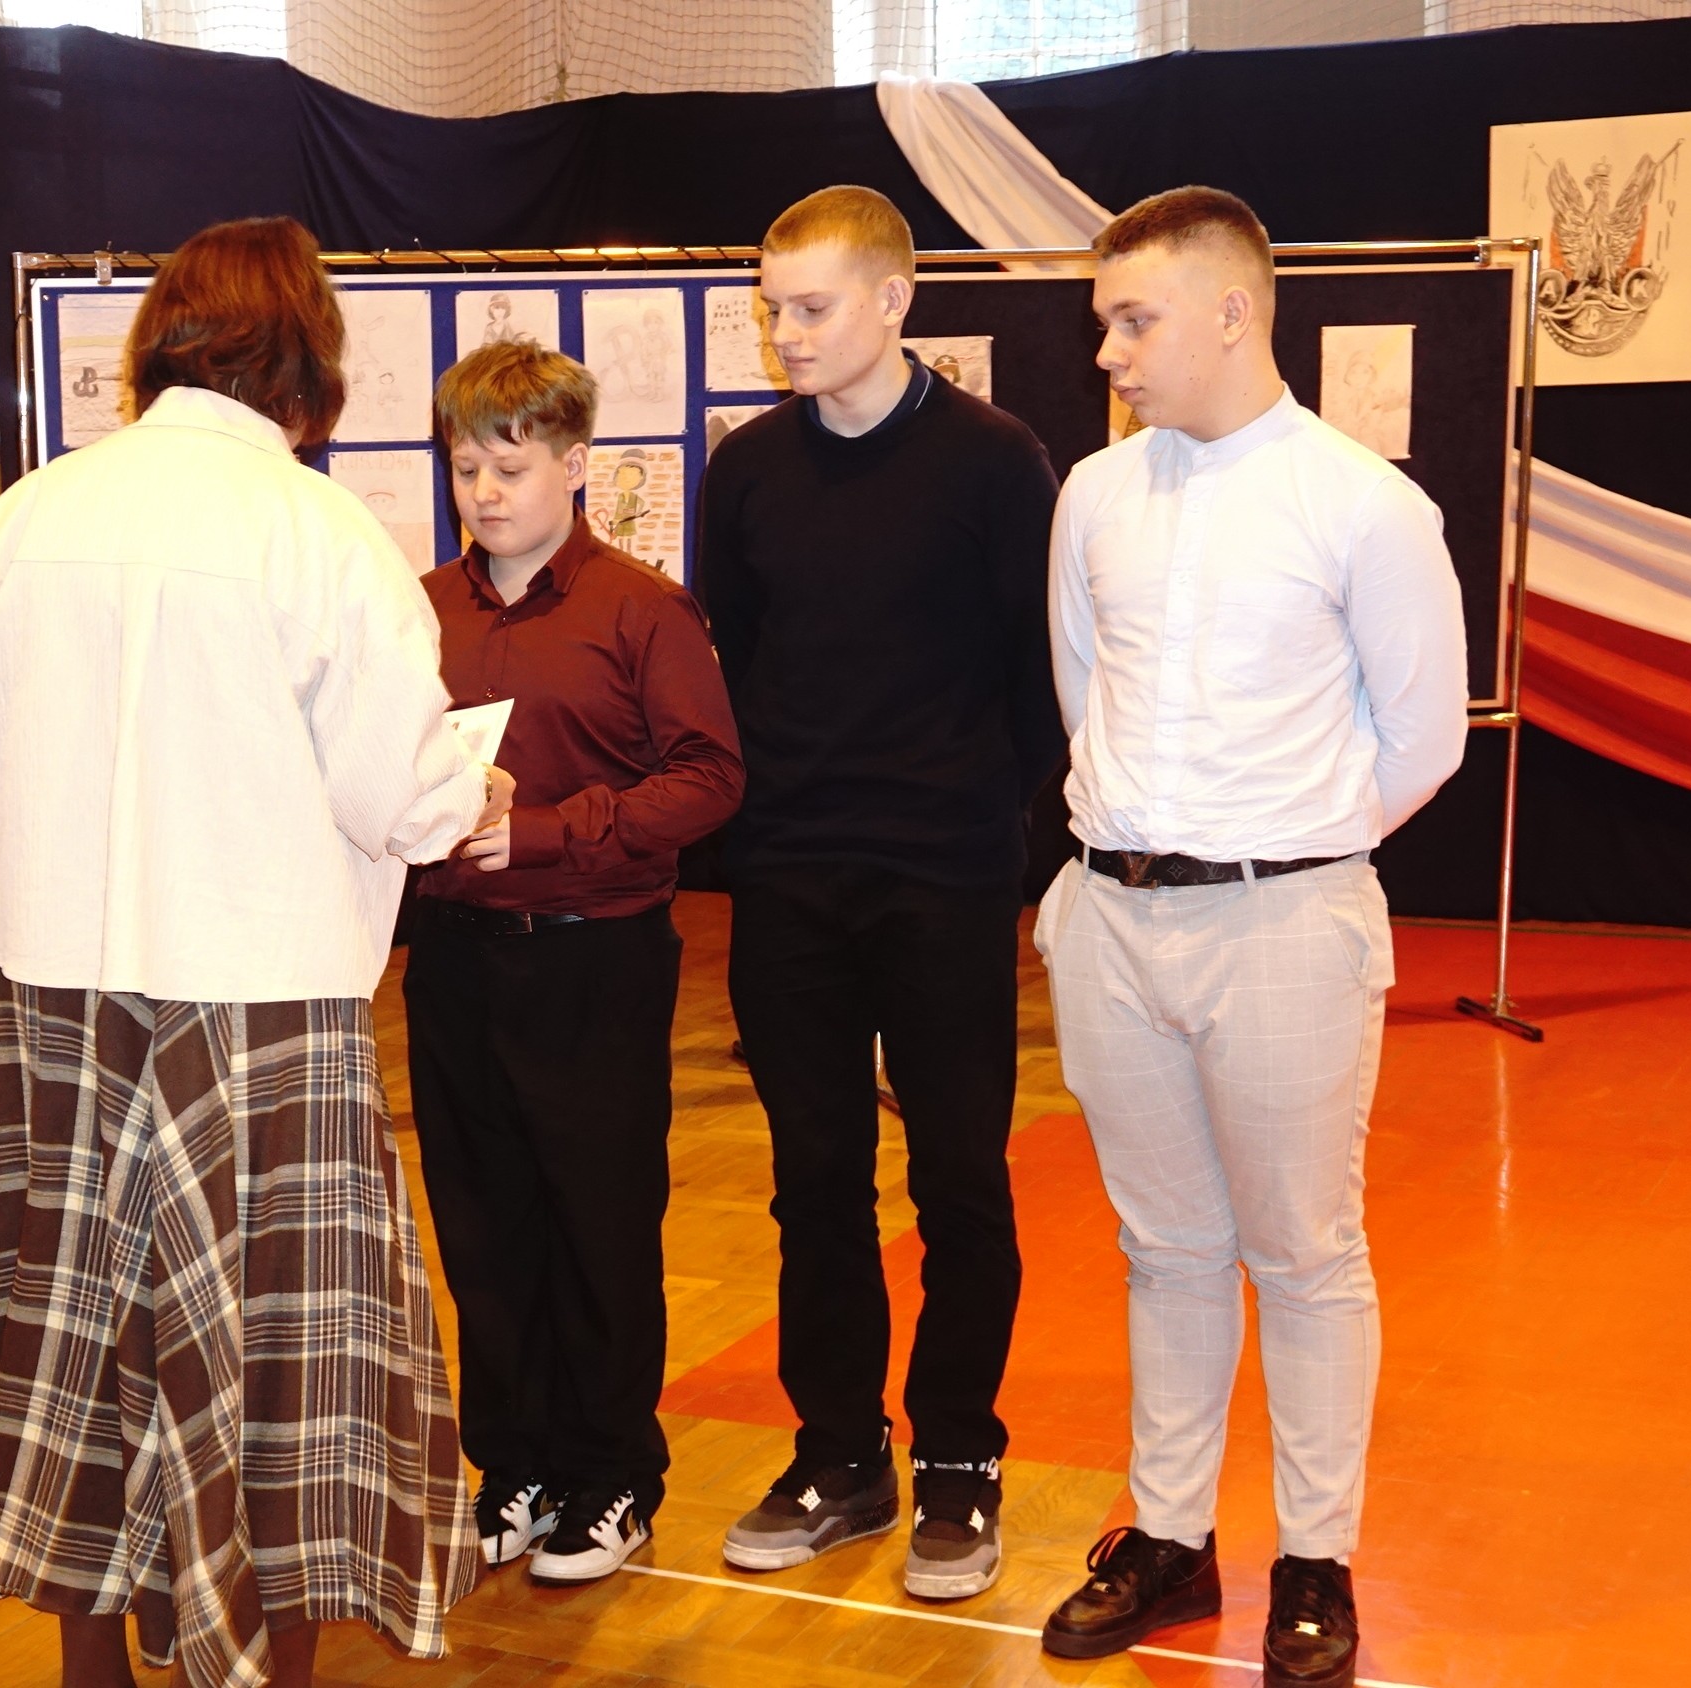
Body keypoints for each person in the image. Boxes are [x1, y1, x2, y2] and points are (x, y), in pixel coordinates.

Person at [0, 216, 509, 1688]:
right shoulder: (318, 532)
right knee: (276, 1372)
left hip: (61, 1006)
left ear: (158, 344)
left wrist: (32, 827)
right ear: (309, 361)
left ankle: (94, 1671)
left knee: (77, 1354)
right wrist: (477, 788)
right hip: (266, 1009)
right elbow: (404, 798)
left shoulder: (28, 513)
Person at [1032, 188, 1467, 1687]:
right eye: (1105, 322)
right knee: (1164, 1248)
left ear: (1232, 312)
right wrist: (1138, 854)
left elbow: (1422, 740)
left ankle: (1315, 1560)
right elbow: (1082, 690)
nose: (1108, 351)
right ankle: (1169, 1539)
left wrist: (1282, 848)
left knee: (1304, 1253)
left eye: (1131, 319)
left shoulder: (1363, 503)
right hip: (1112, 915)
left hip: (1288, 919)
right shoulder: (1096, 495)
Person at [694, 185, 1063, 1601]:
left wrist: (985, 829)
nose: (784, 333)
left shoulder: (995, 460)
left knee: (960, 1178)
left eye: (811, 306)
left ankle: (961, 1458)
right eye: (771, 308)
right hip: (789, 878)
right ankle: (841, 1454)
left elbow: (1038, 678)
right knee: (815, 1185)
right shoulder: (747, 470)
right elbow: (738, 658)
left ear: (896, 300)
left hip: (945, 878)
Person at [405, 340, 743, 1586]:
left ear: (576, 462)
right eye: (466, 468)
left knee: (598, 1223)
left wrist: (549, 830)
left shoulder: (641, 608)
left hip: (594, 958)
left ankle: (613, 1476)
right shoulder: (420, 611)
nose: (486, 492)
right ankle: (517, 1468)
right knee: (483, 1225)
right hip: (454, 961)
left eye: (512, 466)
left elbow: (710, 776)